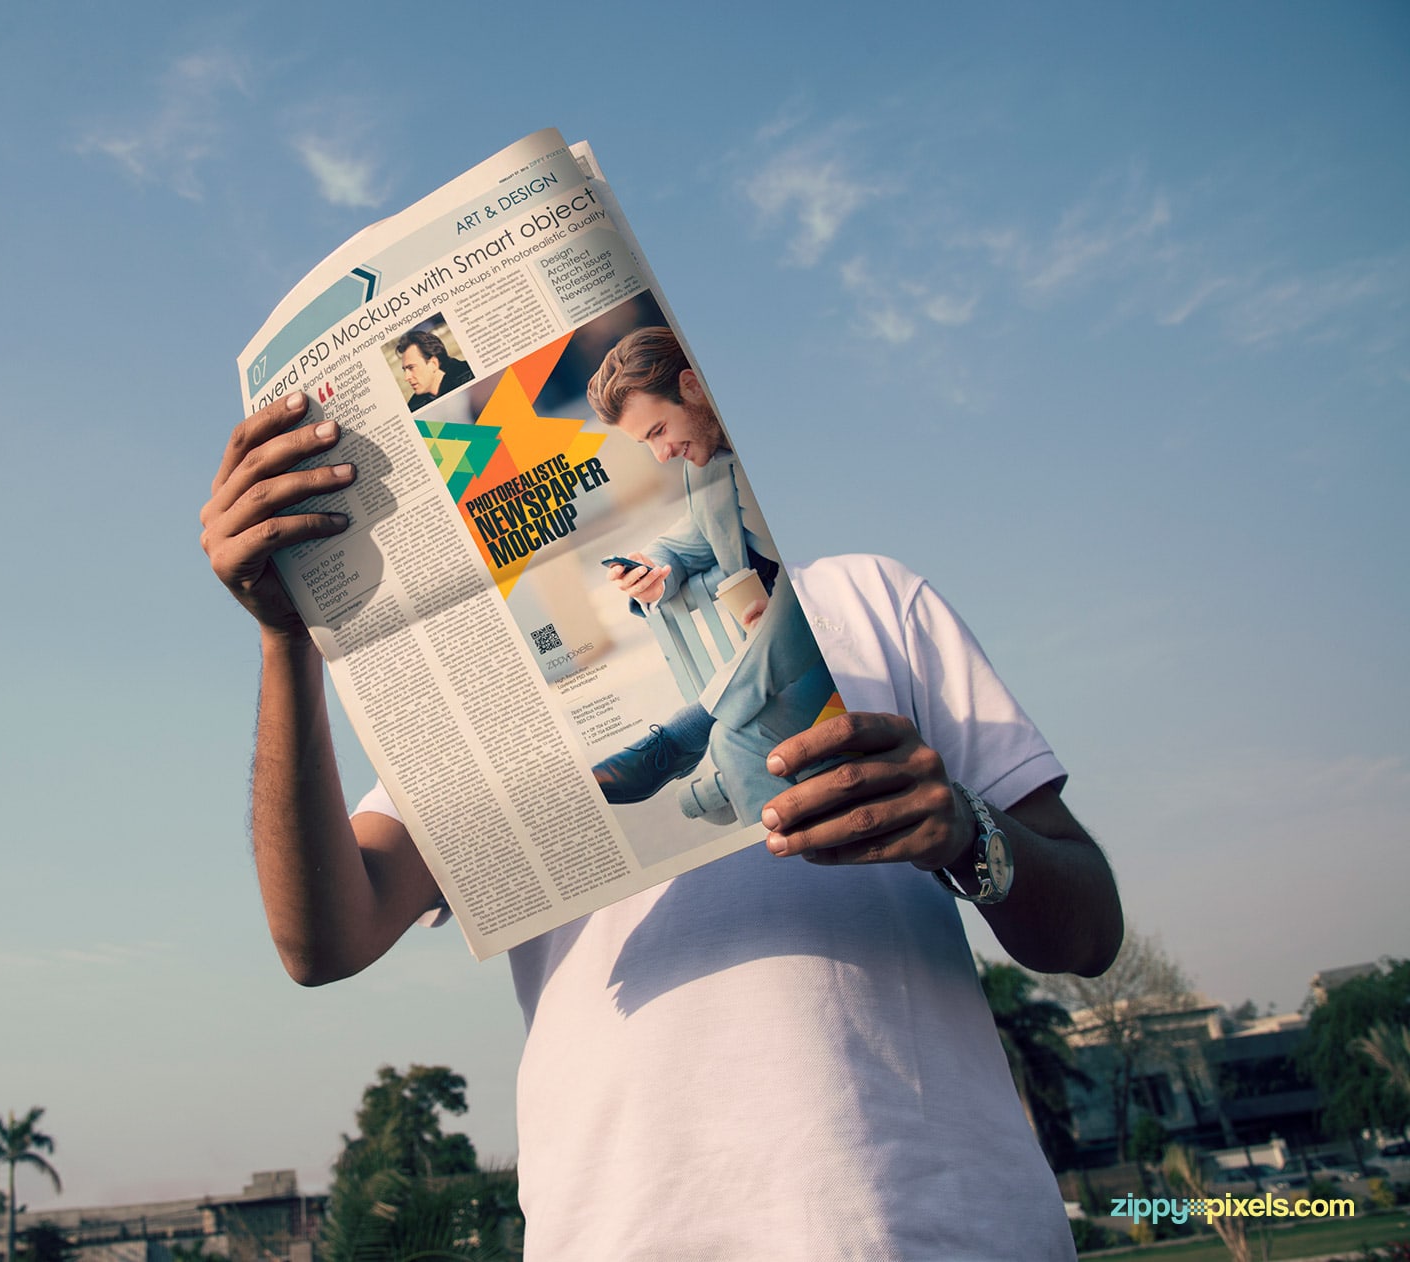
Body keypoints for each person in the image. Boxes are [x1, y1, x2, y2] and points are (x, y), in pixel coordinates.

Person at [200, 385, 1123, 1257]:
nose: (659, 453)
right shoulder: (488, 705)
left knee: (721, 723)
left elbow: (1091, 930)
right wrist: (286, 640)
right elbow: (323, 941)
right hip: (628, 1229)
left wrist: (968, 833)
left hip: (928, 1222)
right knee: (705, 724)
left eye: (653, 441)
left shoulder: (871, 602)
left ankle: (697, 756)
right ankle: (691, 754)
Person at [585, 327, 836, 823]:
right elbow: (695, 536)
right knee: (736, 736)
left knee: (805, 591)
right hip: (791, 667)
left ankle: (685, 734)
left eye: (658, 432)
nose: (660, 454)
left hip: (847, 647)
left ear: (693, 386)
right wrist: (655, 568)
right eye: (646, 443)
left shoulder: (789, 436)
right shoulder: (704, 464)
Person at [395, 327, 475, 411]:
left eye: (411, 368)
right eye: (405, 370)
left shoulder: (471, 377)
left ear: (434, 364)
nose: (406, 378)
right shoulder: (414, 407)